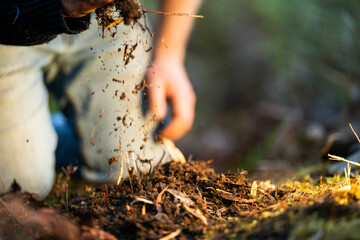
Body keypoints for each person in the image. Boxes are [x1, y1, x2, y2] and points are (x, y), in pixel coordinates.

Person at [0, 0, 201, 199]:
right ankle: (33, 136)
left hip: (107, 19)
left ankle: (49, 132)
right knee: (21, 189)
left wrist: (169, 56)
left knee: (135, 169)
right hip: (10, 21)